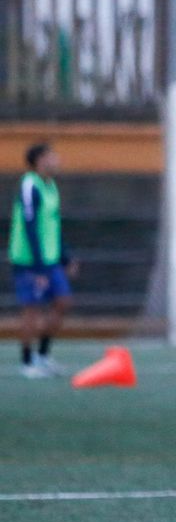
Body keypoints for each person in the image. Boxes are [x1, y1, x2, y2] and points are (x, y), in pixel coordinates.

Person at [11, 142, 78, 379]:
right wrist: (38, 267)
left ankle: (43, 355)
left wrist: (65, 256)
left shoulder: (51, 187)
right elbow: (30, 226)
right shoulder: (30, 185)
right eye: (52, 156)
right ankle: (27, 363)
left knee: (63, 302)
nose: (56, 159)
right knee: (32, 310)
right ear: (40, 160)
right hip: (30, 261)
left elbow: (52, 226)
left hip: (50, 260)